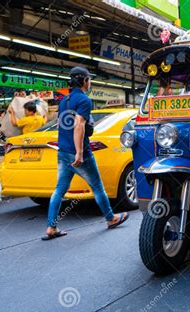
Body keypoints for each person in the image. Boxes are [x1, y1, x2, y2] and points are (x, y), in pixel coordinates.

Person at [43, 66, 129, 240]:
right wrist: (80, 153)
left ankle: (51, 228)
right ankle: (111, 218)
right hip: (78, 153)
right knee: (97, 187)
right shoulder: (84, 100)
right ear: (83, 81)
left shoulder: (64, 100)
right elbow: (79, 125)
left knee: (60, 189)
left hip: (63, 152)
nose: (89, 82)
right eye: (89, 79)